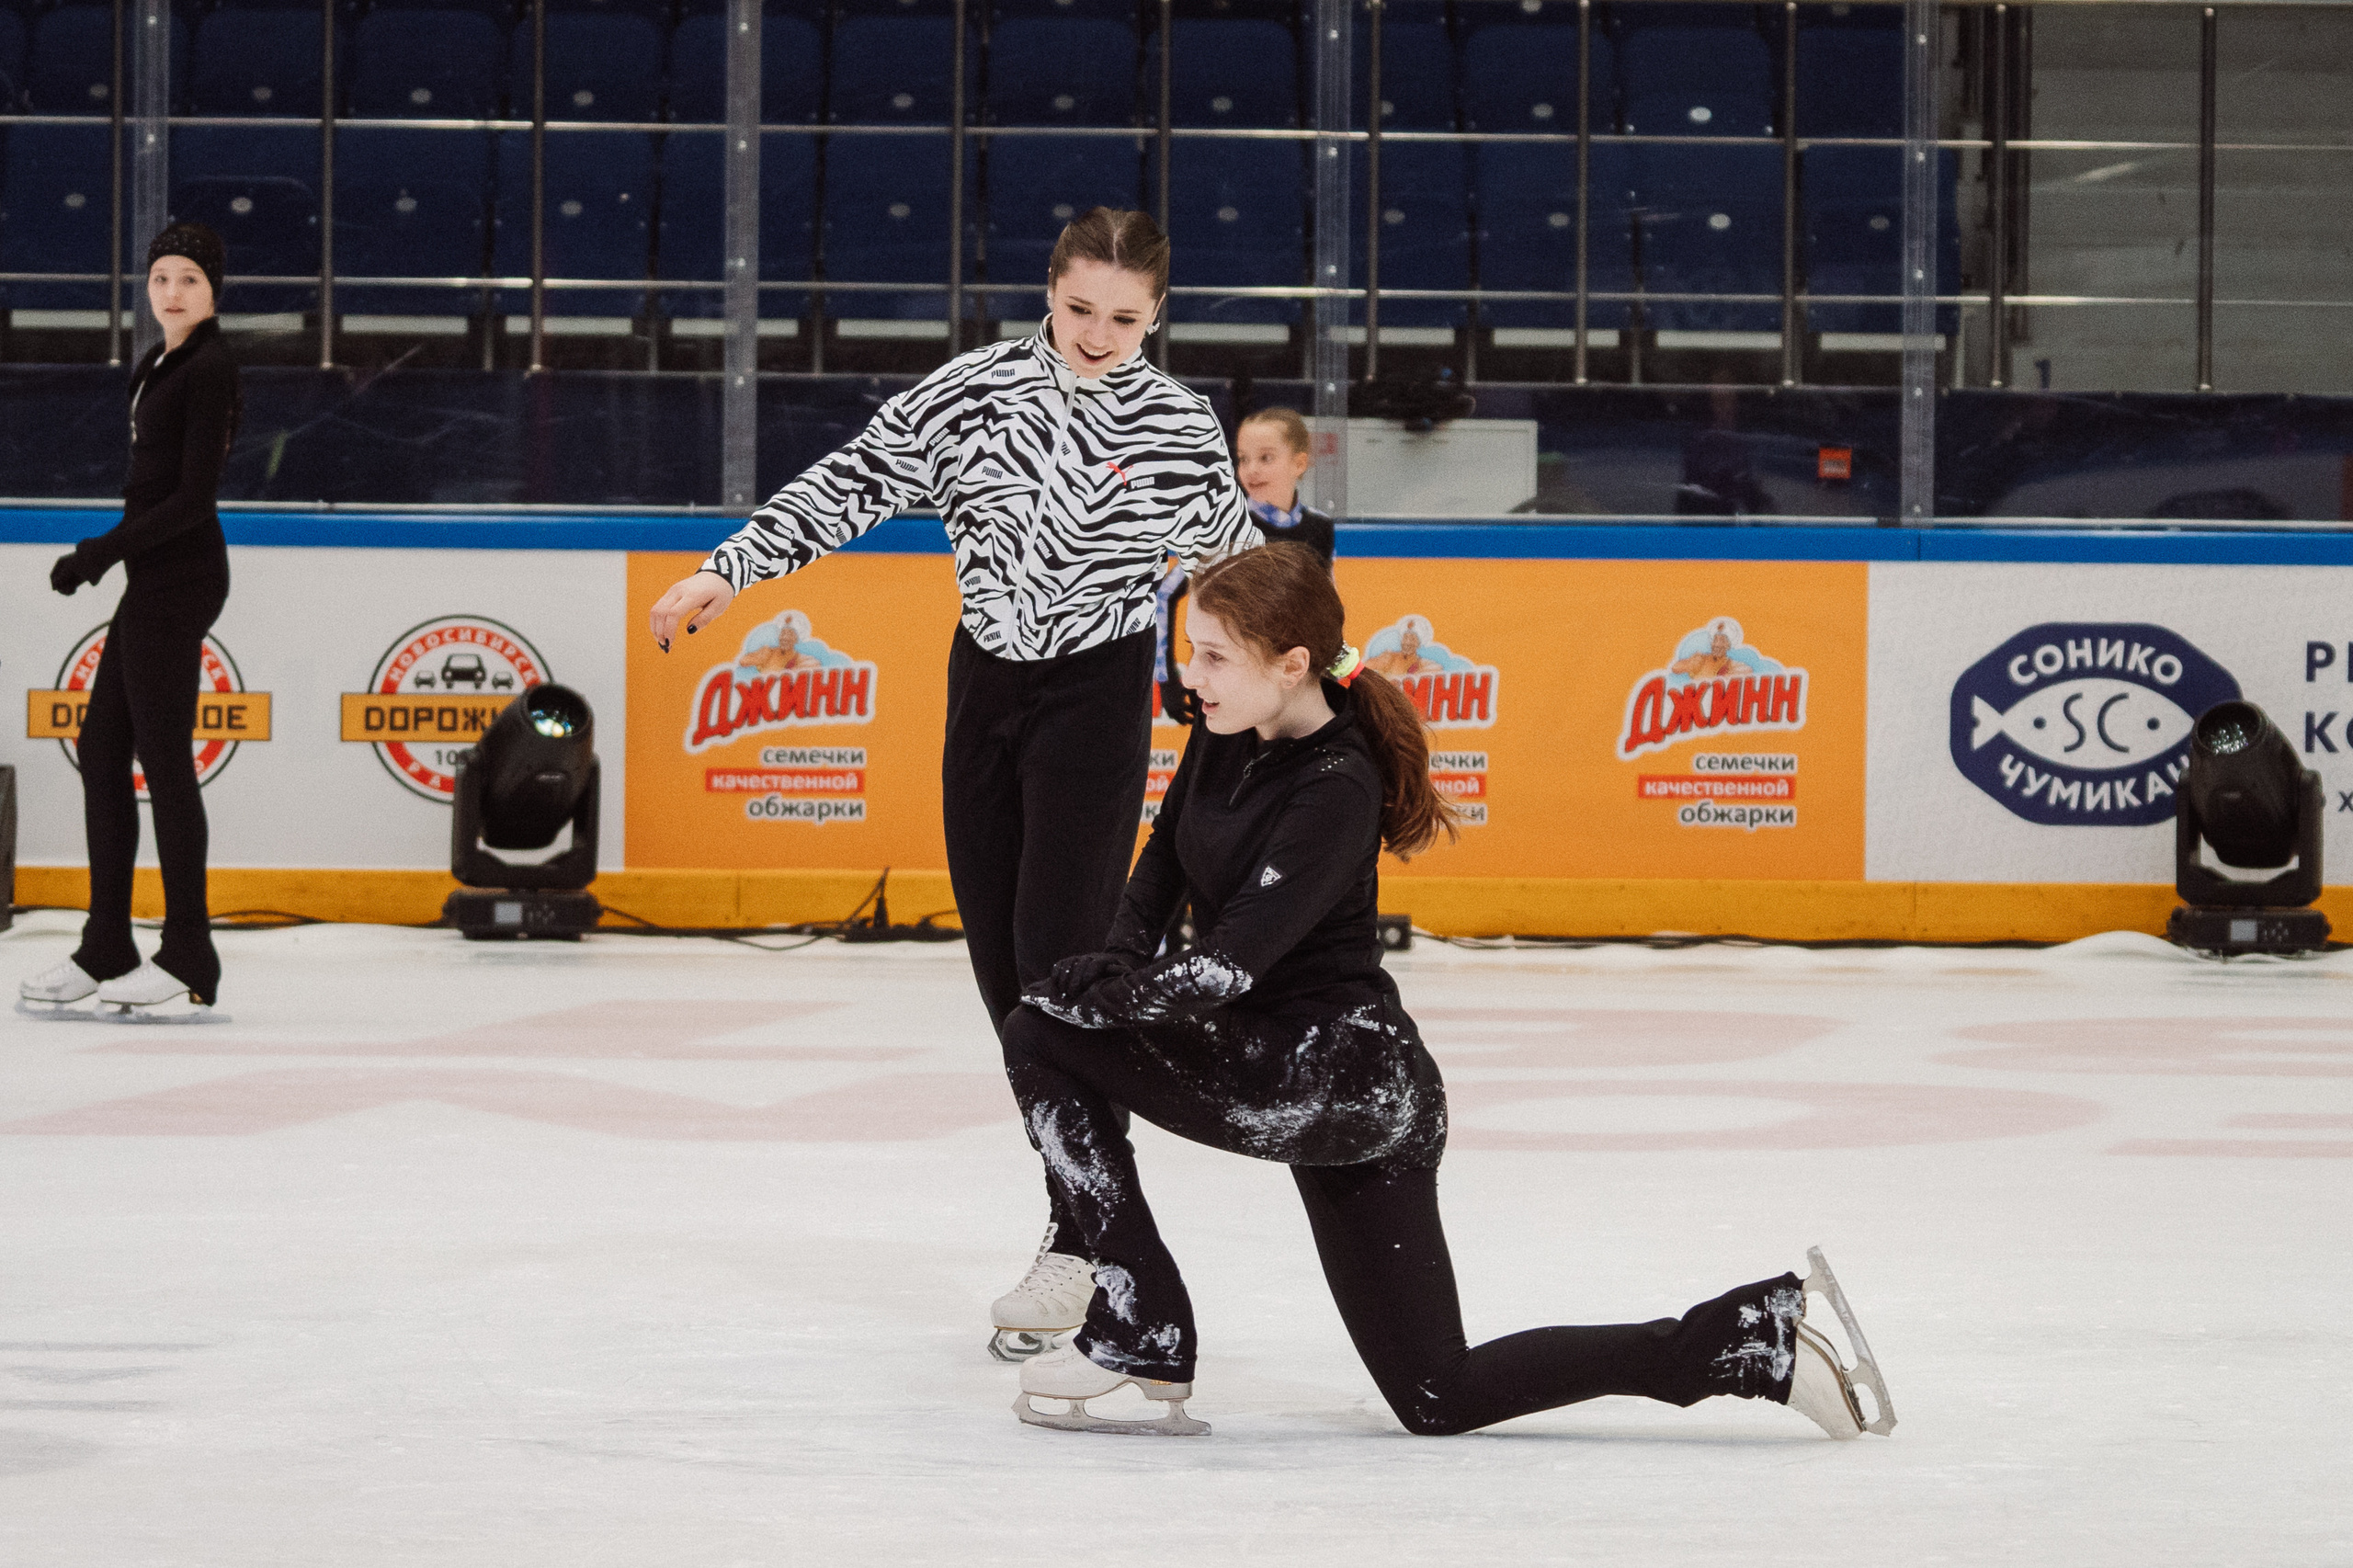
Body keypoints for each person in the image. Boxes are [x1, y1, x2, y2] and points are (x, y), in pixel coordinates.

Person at [999, 542, 1895, 1439]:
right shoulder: (1226, 728)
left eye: (1213, 656)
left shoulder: (1334, 780)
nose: (1191, 676)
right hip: (1299, 1071)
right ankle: (1748, 1342)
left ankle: (1139, 1319)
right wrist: (1115, 958)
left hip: (1340, 1079)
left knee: (1040, 1030)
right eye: (1188, 649)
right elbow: (1161, 860)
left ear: (1292, 663)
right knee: (1437, 1392)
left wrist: (1101, 999)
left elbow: (1228, 967)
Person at [646, 209, 1262, 1358]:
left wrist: (1331, 679)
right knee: (1003, 981)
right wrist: (725, 572)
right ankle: (1087, 1216)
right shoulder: (969, 391)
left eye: (1124, 318)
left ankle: (1085, 1239)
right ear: (1049, 287)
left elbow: (1244, 573)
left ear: (1156, 316)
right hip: (983, 691)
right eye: (1080, 307)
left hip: (1095, 695)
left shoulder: (1179, 424)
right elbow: (850, 483)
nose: (1096, 333)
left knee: (1060, 974)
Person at [23, 224, 243, 1016]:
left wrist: (98, 553)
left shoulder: (211, 366)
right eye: (159, 278)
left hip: (180, 577)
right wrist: (117, 556)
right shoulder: (156, 363)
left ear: (214, 289)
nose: (172, 292)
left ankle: (188, 949)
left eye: (188, 278)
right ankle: (107, 943)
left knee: (164, 760)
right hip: (154, 575)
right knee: (102, 747)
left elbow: (192, 499)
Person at [1154, 406, 1333, 725]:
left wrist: (1328, 667)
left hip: (1293, 692)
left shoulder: (1319, 528)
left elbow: (1326, 611)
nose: (1250, 470)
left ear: (1300, 463)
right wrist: (1165, 676)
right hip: (1228, 691)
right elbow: (1165, 594)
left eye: (1265, 458)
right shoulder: (1226, 524)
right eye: (1243, 459)